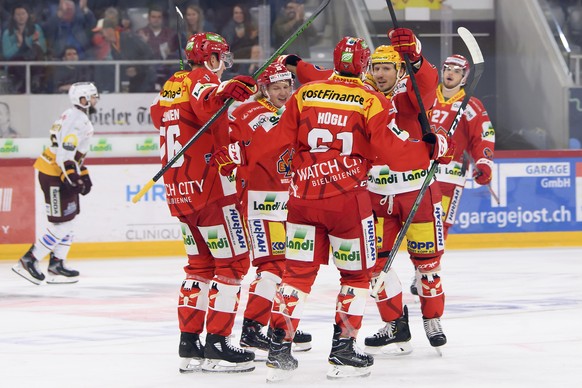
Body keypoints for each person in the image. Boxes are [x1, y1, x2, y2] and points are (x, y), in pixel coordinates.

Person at [240, 36, 451, 381]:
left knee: (295, 276)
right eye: (375, 66)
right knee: (355, 276)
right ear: (365, 66)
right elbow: (389, 152)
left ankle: (279, 348)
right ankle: (343, 351)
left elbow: (277, 138)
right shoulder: (370, 100)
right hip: (348, 204)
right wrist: (429, 149)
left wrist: (240, 154)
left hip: (302, 200)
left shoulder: (306, 93)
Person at [149, 32, 258, 374]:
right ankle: (218, 343)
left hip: (179, 193)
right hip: (211, 191)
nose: (224, 65)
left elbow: (158, 115)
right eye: (222, 59)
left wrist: (220, 91)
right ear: (210, 58)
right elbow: (206, 101)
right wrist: (226, 90)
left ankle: (188, 342)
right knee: (234, 263)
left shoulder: (173, 83)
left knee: (199, 266)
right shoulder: (200, 79)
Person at [213, 62, 311, 358]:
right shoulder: (249, 112)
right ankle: (253, 329)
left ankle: (272, 325)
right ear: (264, 89)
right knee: (272, 266)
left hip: (287, 200)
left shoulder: (289, 111)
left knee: (286, 267)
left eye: (287, 86)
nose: (283, 92)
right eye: (276, 87)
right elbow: (268, 141)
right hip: (260, 201)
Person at [408, 54, 495, 293]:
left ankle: (424, 274)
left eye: (456, 70)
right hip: (420, 172)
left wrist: (484, 164)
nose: (450, 73)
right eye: (447, 68)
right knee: (417, 223)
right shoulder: (425, 97)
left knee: (438, 227)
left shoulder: (471, 105)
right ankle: (417, 268)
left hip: (451, 177)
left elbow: (484, 137)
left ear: (464, 76)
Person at [12, 82, 99, 285]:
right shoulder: (77, 121)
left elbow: (73, 156)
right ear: (83, 99)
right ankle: (29, 260)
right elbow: (64, 155)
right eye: (93, 97)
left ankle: (57, 265)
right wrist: (73, 178)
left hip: (58, 173)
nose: (96, 100)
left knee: (70, 219)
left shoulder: (72, 115)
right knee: (61, 224)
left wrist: (81, 173)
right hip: (54, 175)